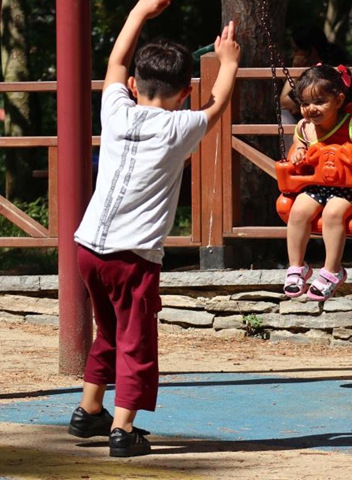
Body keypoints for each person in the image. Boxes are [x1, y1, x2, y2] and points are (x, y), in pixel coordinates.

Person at [68, 0, 240, 457]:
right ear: (185, 92)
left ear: (132, 86)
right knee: (136, 340)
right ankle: (123, 431)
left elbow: (115, 59)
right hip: (134, 256)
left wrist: (141, 10)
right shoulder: (179, 128)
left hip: (88, 248)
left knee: (108, 330)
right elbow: (218, 102)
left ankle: (89, 412)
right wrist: (230, 63)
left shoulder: (114, 110)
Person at [283, 64, 352, 301]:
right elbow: (298, 145)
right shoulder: (304, 127)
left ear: (339, 100)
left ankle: (332, 271)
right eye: (305, 103)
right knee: (297, 210)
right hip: (319, 185)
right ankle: (297, 268)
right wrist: (298, 151)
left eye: (320, 102)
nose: (311, 109)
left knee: (332, 213)